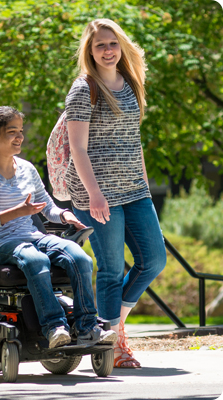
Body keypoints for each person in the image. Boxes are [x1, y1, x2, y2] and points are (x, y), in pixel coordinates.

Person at [0, 106, 116, 349]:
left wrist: (64, 215)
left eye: (21, 131)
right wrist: (19, 212)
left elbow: (47, 207)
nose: (20, 137)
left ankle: (89, 327)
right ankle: (54, 327)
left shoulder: (27, 168)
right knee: (36, 260)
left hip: (31, 236)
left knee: (80, 258)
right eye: (12, 132)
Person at [65, 19, 167, 367]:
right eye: (99, 46)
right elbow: (77, 148)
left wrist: (145, 185)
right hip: (97, 193)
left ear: (121, 46)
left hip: (135, 190)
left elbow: (133, 140)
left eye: (112, 44)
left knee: (154, 259)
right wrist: (94, 194)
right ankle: (111, 349)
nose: (107, 51)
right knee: (109, 270)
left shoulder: (132, 83)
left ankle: (113, 327)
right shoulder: (84, 89)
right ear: (89, 51)